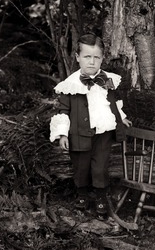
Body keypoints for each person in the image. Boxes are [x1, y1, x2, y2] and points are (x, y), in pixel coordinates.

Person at [50, 33, 132, 218]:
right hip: (79, 133)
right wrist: (62, 134)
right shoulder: (69, 85)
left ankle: (101, 197)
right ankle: (82, 195)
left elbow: (113, 101)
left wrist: (121, 117)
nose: (92, 62)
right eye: (87, 57)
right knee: (81, 165)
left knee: (100, 166)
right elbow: (63, 111)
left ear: (102, 58)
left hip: (104, 131)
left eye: (96, 57)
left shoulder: (108, 79)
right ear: (78, 57)